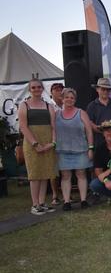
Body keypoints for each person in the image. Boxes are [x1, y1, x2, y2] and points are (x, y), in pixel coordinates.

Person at [19, 78, 58, 215]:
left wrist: (52, 142)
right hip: (31, 143)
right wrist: (35, 144)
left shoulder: (49, 106)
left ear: (42, 89)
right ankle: (34, 204)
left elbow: (53, 126)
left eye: (39, 87)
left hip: (47, 142)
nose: (36, 89)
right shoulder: (24, 105)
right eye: (33, 87)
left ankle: (41, 203)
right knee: (35, 174)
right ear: (30, 90)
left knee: (45, 173)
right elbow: (23, 126)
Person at [55, 88, 93, 211]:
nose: (69, 100)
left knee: (81, 174)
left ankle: (83, 200)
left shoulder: (81, 113)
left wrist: (91, 148)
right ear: (62, 99)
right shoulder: (56, 114)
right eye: (67, 97)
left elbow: (89, 131)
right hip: (62, 150)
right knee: (65, 176)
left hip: (81, 149)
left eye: (72, 98)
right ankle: (66, 202)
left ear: (75, 100)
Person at [86, 77, 111, 146]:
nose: (105, 91)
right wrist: (102, 130)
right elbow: (89, 122)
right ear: (97, 89)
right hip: (99, 141)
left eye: (108, 90)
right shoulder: (91, 106)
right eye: (103, 89)